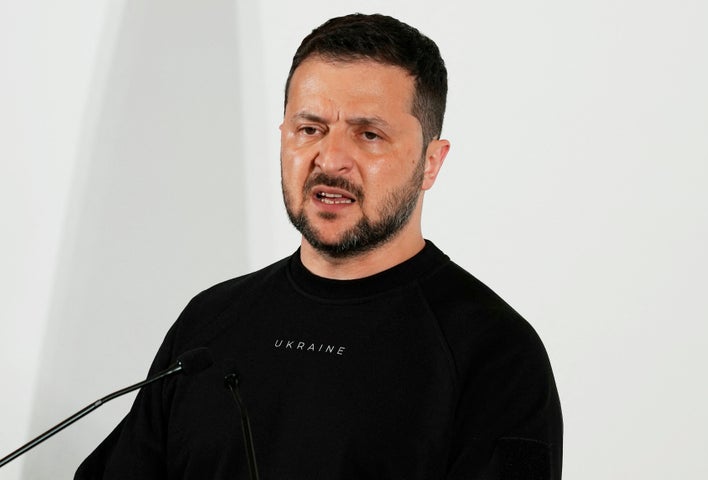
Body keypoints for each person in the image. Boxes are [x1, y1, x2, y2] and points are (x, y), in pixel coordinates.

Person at [76, 13, 562, 479]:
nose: (331, 159)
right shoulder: (209, 323)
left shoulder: (497, 355)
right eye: (310, 129)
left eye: (369, 135)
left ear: (431, 163)